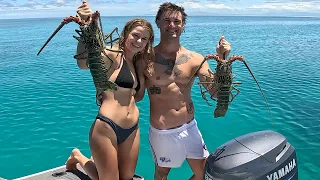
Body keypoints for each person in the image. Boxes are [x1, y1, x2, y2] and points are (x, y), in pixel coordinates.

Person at [134, 2, 231, 180]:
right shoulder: (144, 59)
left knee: (205, 175)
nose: (172, 25)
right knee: (162, 175)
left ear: (183, 25)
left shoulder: (195, 59)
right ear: (158, 23)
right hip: (162, 132)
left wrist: (222, 60)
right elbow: (138, 96)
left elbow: (215, 92)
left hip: (190, 127)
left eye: (177, 21)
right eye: (167, 20)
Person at [65, 2, 155, 180]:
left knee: (127, 177)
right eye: (135, 35)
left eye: (144, 39)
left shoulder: (137, 63)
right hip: (107, 126)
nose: (139, 41)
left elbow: (137, 98)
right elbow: (83, 63)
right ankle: (78, 156)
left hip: (132, 128)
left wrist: (144, 76)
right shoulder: (112, 54)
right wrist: (86, 27)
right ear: (125, 34)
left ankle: (84, 158)